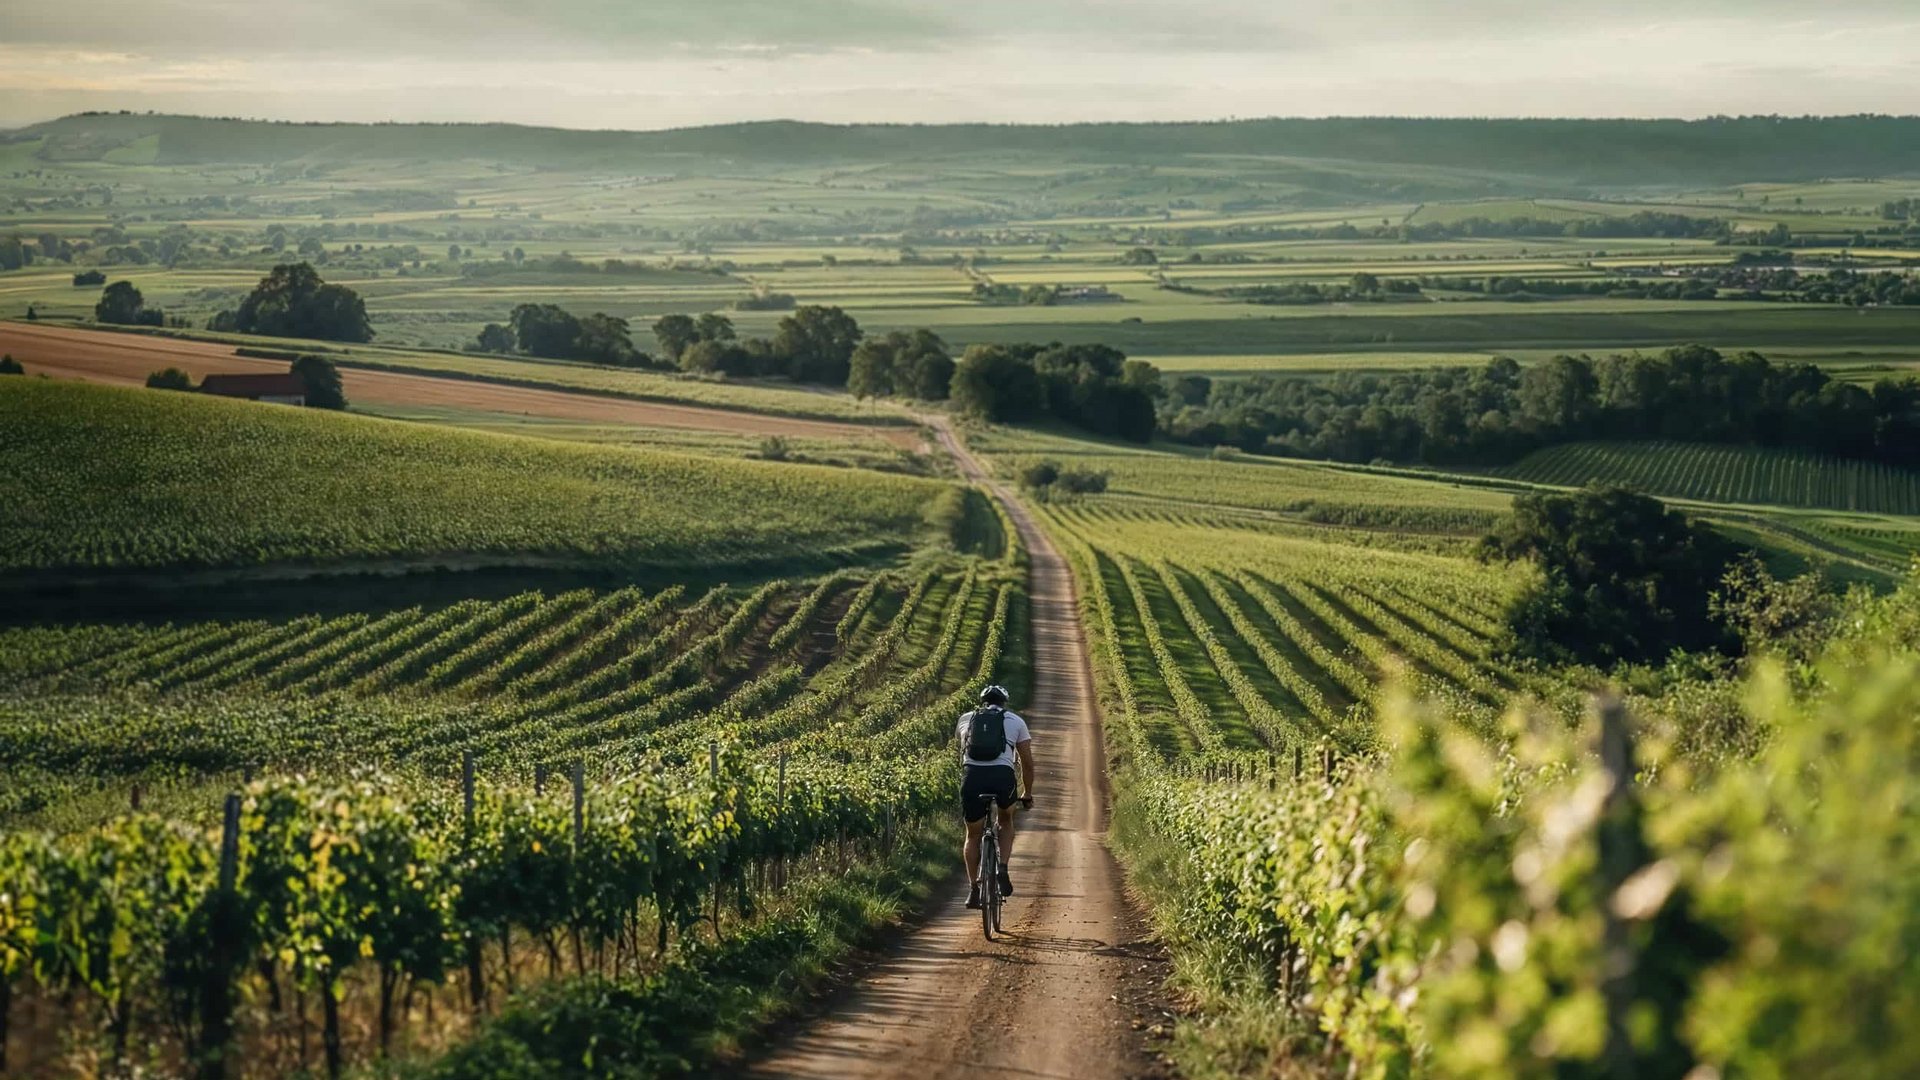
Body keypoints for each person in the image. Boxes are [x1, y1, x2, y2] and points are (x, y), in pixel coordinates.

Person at [957, 684, 1034, 910]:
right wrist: (1027, 793)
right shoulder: (1016, 721)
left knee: (972, 834)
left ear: (982, 701)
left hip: (972, 776)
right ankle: (1002, 867)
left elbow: (960, 753)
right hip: (1002, 776)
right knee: (1006, 820)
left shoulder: (966, 719)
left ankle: (973, 889)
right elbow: (1027, 763)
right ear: (1004, 702)